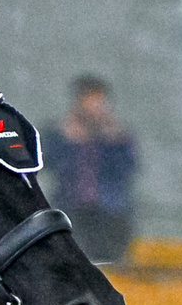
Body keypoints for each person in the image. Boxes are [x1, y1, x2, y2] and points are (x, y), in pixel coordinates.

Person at [41, 75, 139, 265]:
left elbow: (128, 168)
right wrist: (67, 140)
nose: (94, 107)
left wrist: (113, 141)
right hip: (72, 208)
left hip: (111, 212)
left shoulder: (118, 136)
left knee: (111, 263)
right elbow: (48, 163)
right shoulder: (61, 132)